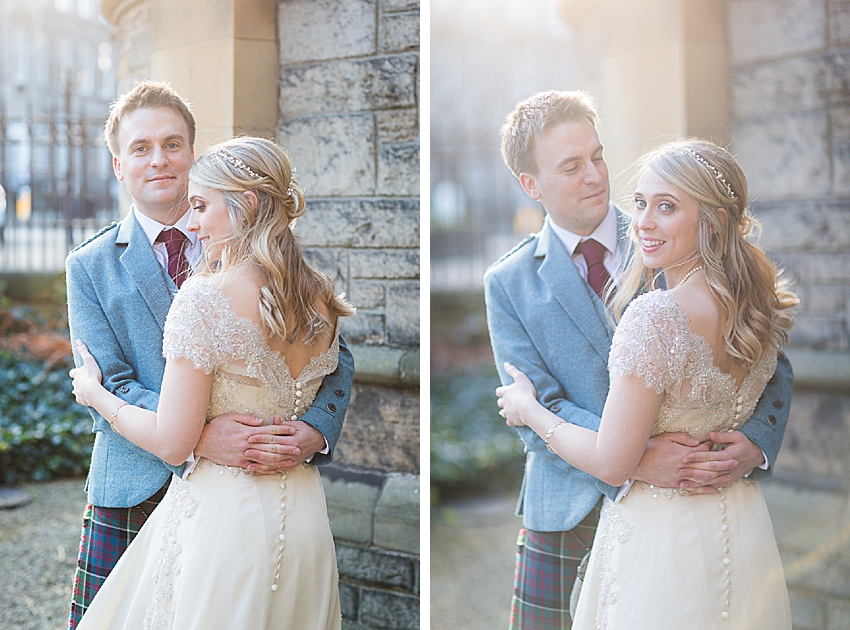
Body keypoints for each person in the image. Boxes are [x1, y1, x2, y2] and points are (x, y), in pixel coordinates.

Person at [484, 90, 794, 629]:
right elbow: (539, 398)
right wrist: (634, 457)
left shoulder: (669, 233)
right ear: (531, 186)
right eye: (572, 166)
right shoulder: (507, 281)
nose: (596, 176)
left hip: (694, 493)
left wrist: (757, 445)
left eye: (598, 156)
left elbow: (763, 355)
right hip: (564, 506)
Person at [65, 81, 354, 629]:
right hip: (134, 484)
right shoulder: (90, 264)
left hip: (255, 486)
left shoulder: (269, 257)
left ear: (193, 153)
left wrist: (316, 429)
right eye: (141, 148)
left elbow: (338, 359)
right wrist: (200, 434)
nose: (159, 159)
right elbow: (116, 376)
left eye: (173, 143)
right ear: (118, 165)